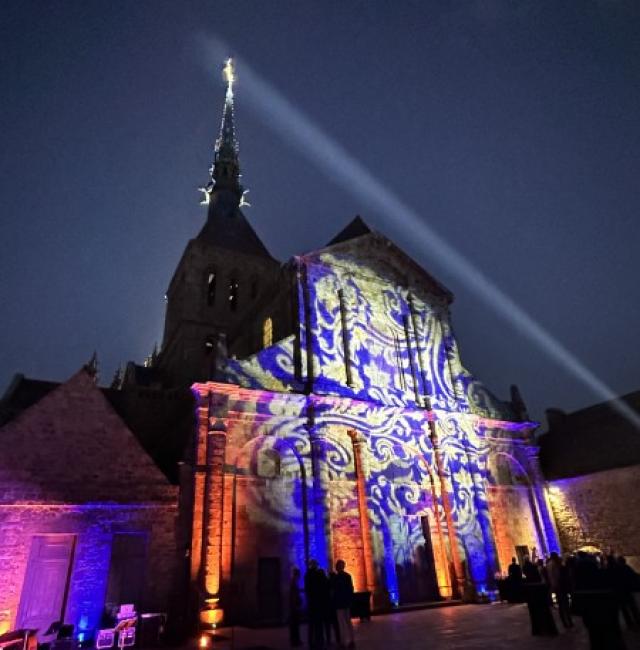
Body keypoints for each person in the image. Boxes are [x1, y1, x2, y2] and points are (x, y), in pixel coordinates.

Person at [332, 560, 355, 649]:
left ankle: (343, 642)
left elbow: (333, 591)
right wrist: (349, 600)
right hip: (346, 603)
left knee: (341, 624)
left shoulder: (336, 578)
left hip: (339, 604)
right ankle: (351, 640)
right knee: (348, 622)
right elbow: (351, 589)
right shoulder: (348, 576)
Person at [305, 559, 327, 649]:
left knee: (312, 624)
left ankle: (311, 643)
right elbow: (324, 586)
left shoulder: (307, 575)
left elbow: (307, 589)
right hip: (318, 603)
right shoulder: (319, 574)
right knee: (319, 624)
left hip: (311, 603)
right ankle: (319, 642)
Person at [289, 567, 303, 647]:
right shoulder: (294, 582)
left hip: (294, 606)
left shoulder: (294, 582)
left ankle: (295, 640)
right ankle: (295, 641)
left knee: (295, 625)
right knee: (295, 625)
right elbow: (294, 595)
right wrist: (296, 605)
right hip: (294, 607)